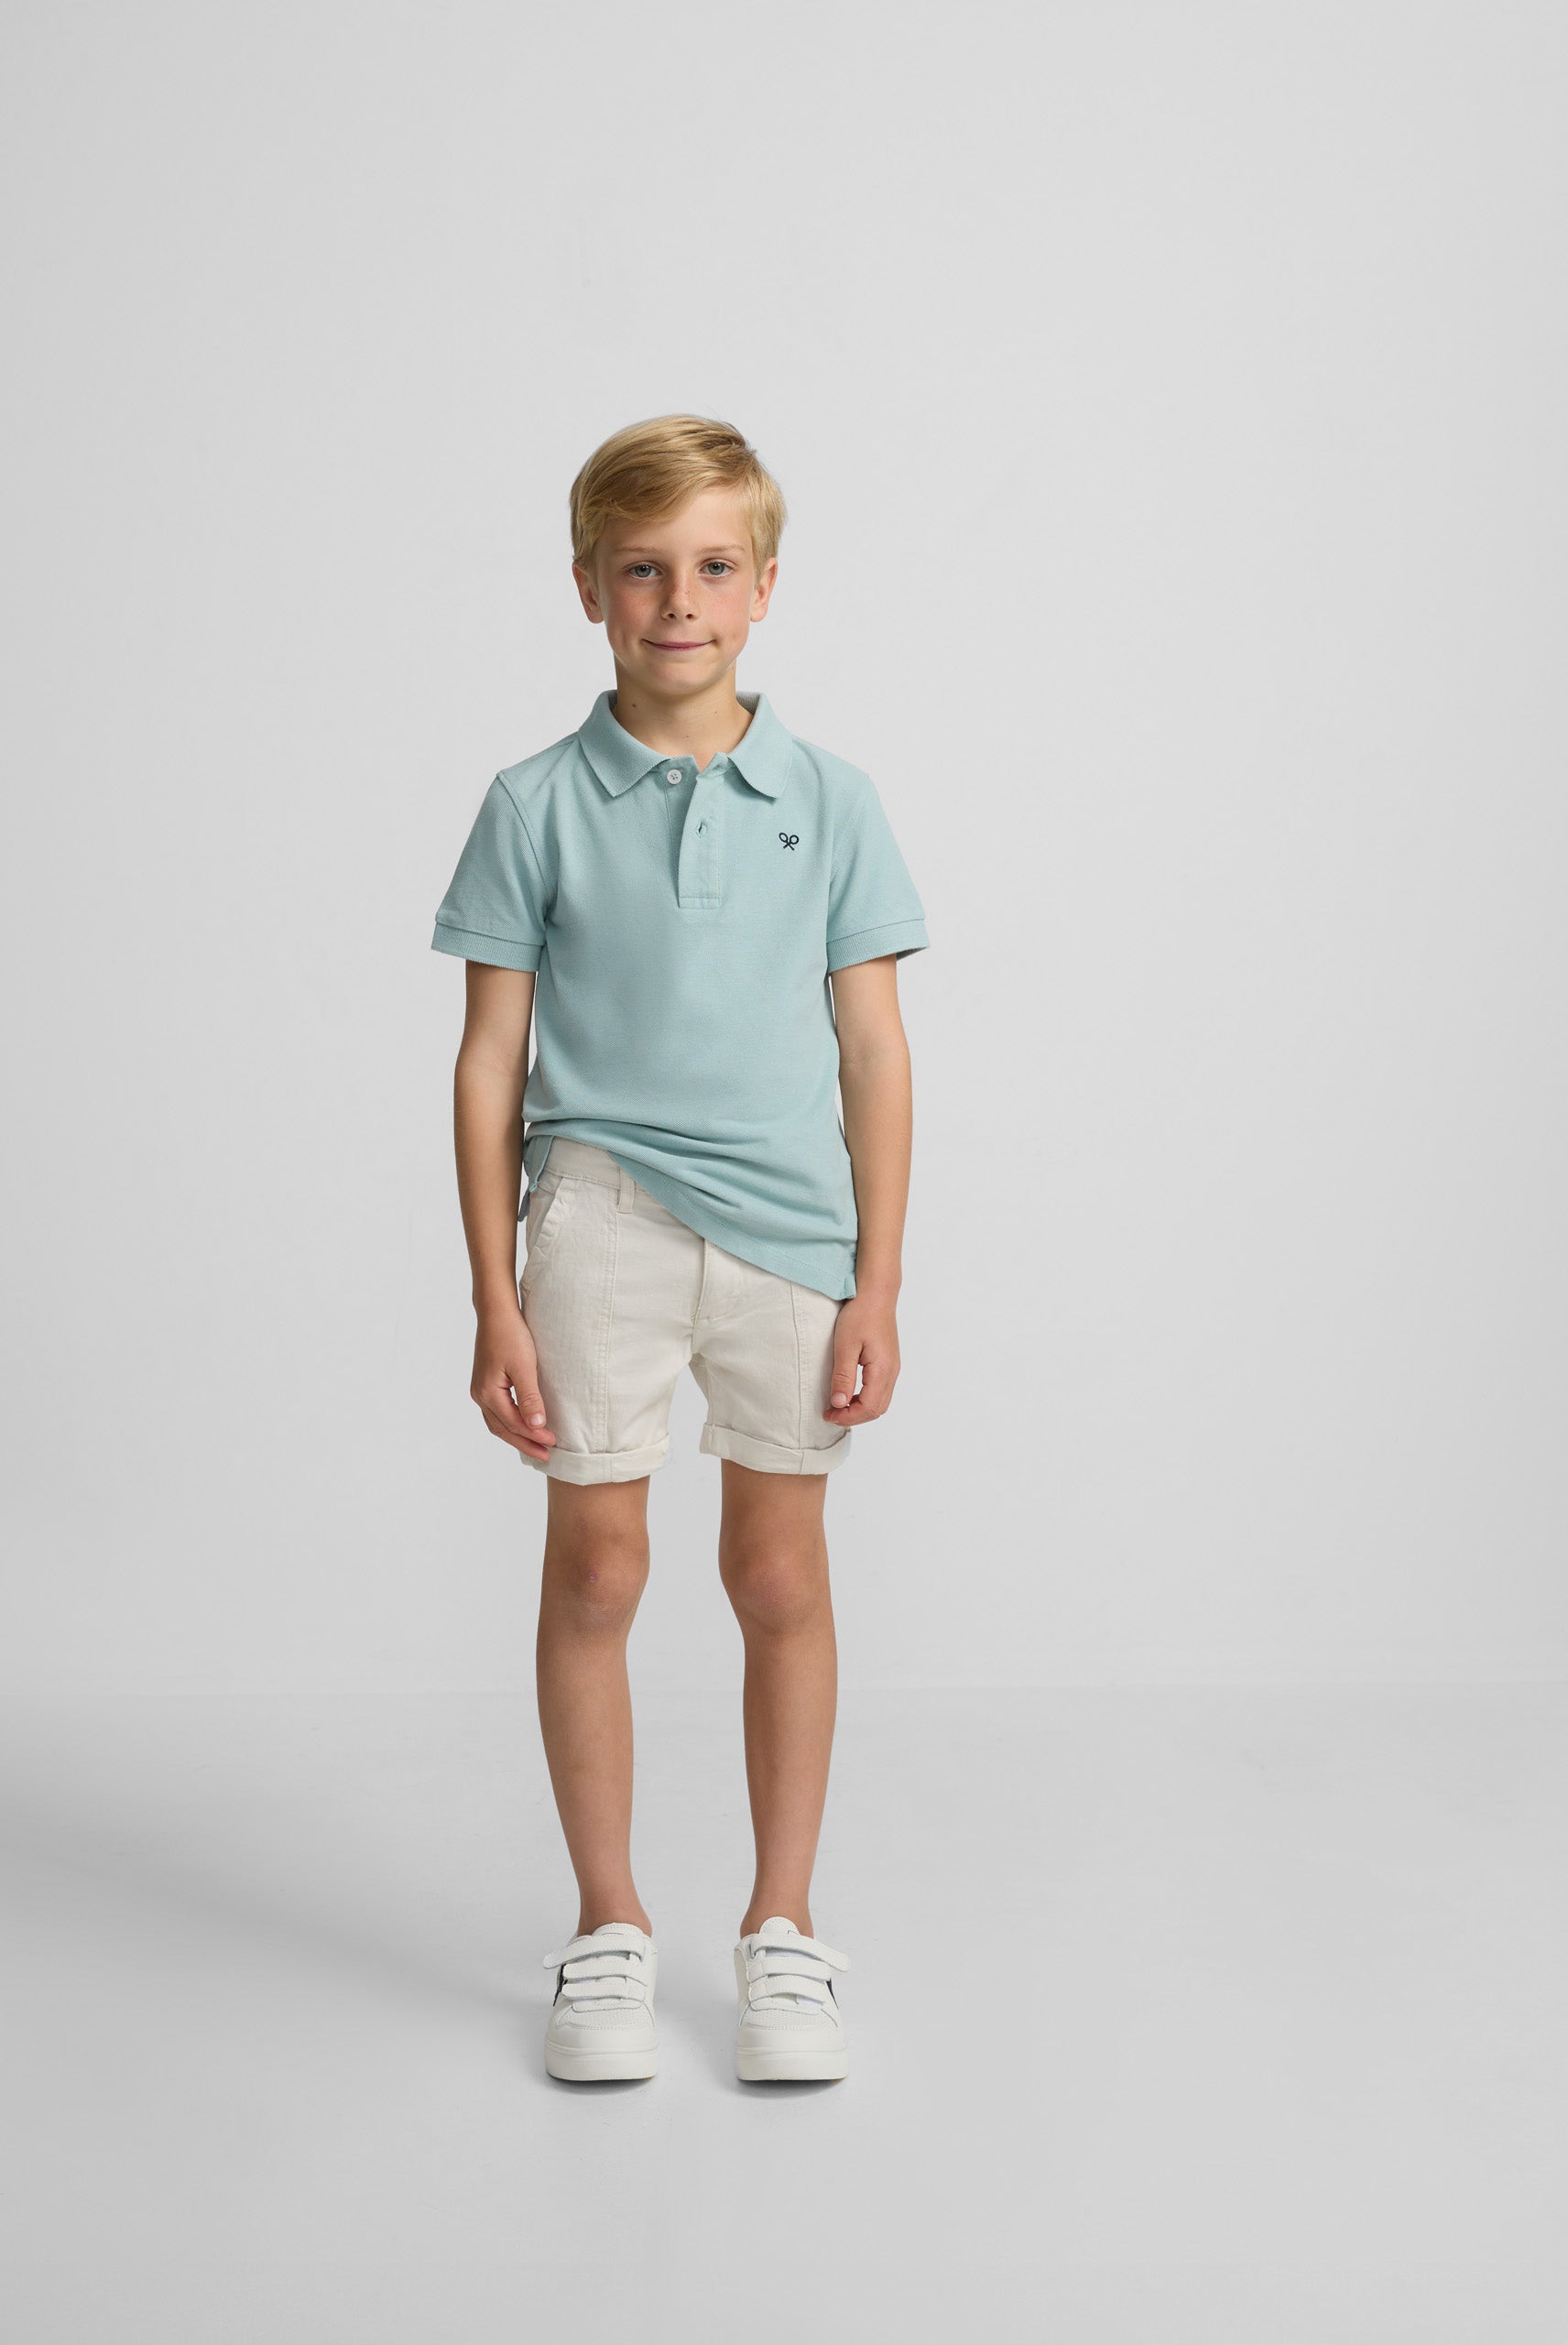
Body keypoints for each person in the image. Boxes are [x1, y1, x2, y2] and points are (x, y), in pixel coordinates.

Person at [430, 413, 930, 2084]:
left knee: (779, 1575)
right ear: (589, 586)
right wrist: (495, 1294)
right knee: (598, 1571)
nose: (679, 602)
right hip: (598, 1222)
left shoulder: (834, 802)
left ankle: (785, 1929)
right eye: (642, 570)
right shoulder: (532, 804)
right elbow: (489, 1060)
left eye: (714, 568)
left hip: (791, 1236)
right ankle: (609, 1927)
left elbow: (874, 1051)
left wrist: (878, 1278)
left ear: (766, 586)